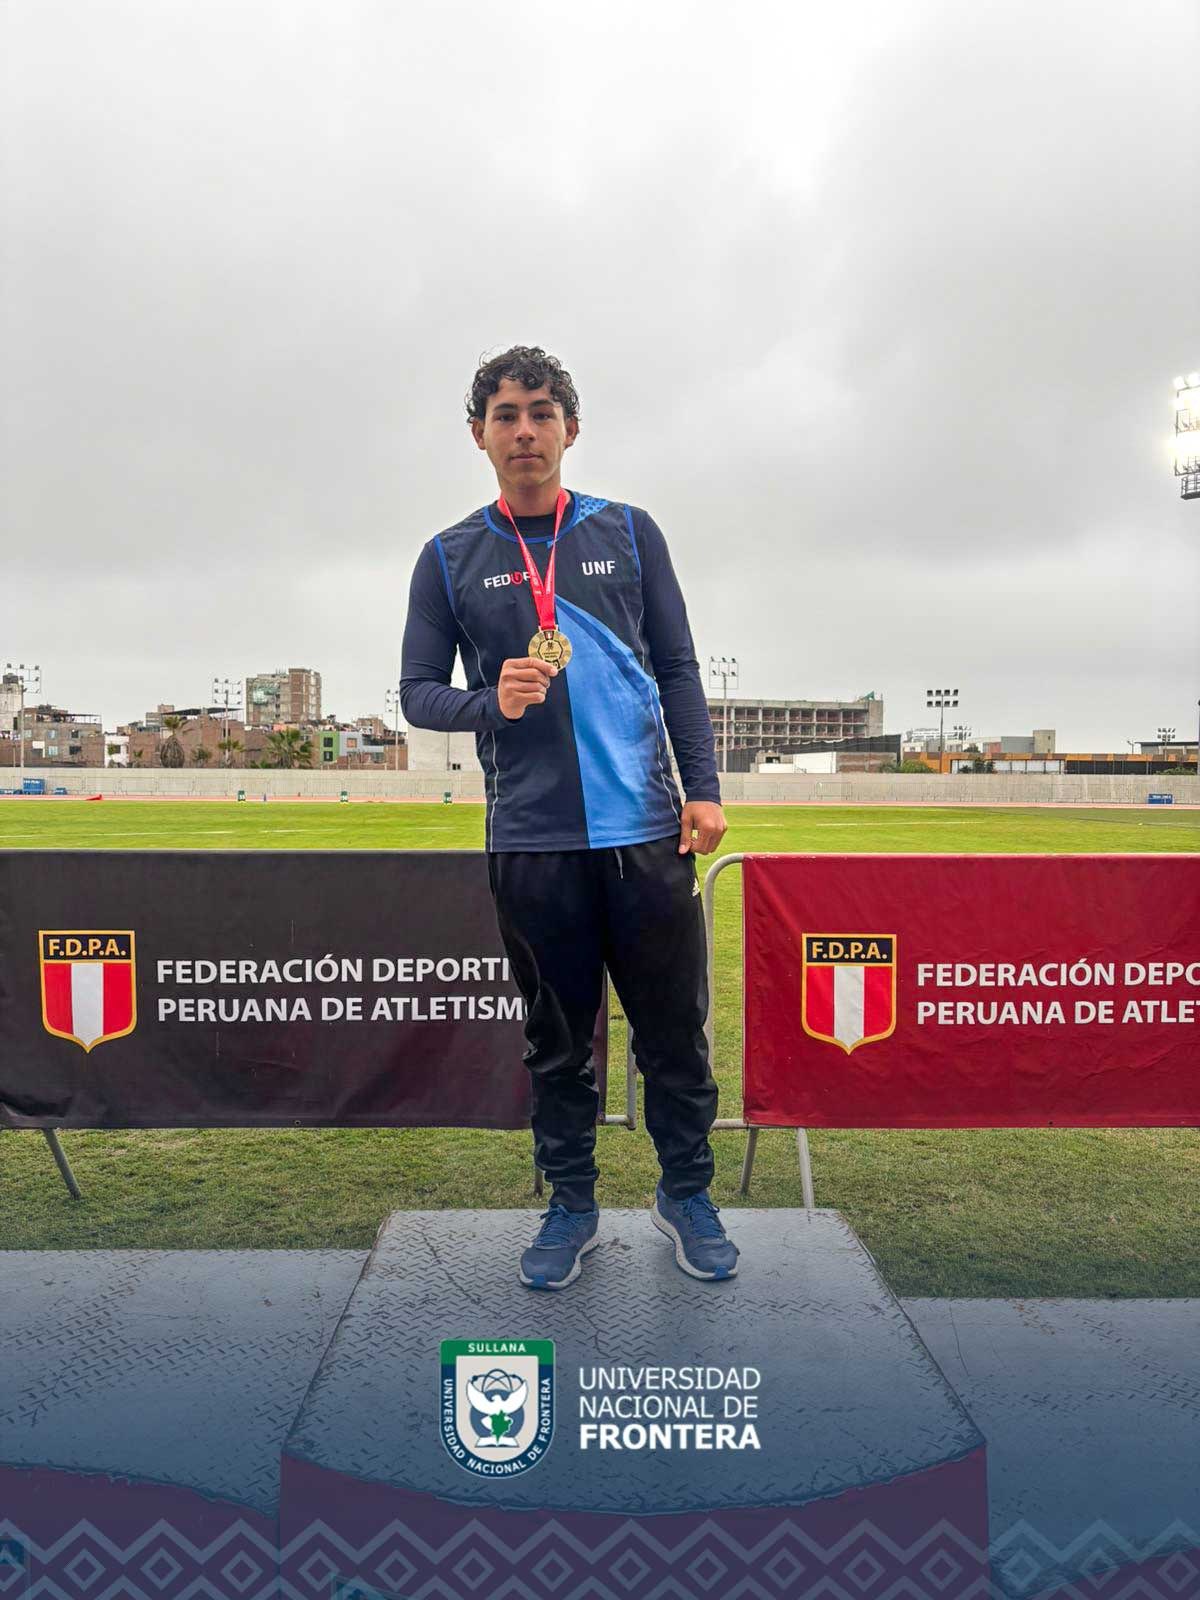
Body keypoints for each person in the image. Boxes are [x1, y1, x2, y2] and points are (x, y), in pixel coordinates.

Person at [400, 346, 738, 1289]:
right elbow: (418, 693)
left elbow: (676, 665)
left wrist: (702, 787)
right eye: (504, 415)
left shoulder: (629, 532)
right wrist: (488, 703)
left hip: (646, 834)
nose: (524, 430)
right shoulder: (449, 557)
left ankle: (686, 1193)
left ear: (570, 429)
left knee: (675, 1033)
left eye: (541, 412)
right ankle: (572, 1205)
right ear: (479, 435)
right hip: (533, 842)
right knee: (556, 1043)